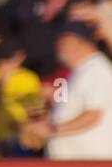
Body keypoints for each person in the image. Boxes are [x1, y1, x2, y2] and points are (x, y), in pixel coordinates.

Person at [22, 20, 112, 159]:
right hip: (73, 162)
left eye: (60, 43)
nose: (57, 49)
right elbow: (70, 109)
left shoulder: (97, 70)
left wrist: (52, 129)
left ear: (72, 42)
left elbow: (93, 115)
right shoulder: (80, 70)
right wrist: (44, 121)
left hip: (89, 161)